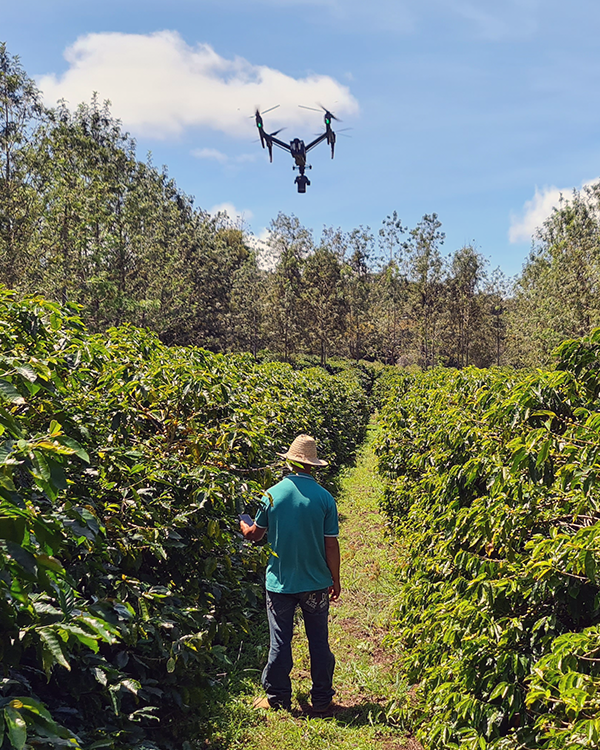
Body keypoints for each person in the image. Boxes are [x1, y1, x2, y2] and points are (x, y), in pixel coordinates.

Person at [239, 434, 341, 713]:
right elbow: (330, 543)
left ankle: (278, 698)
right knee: (319, 641)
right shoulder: (325, 498)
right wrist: (336, 579)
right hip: (316, 583)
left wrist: (244, 522)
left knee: (280, 642)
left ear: (289, 462)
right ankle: (322, 698)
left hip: (280, 583)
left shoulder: (272, 494)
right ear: (313, 466)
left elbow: (254, 535)